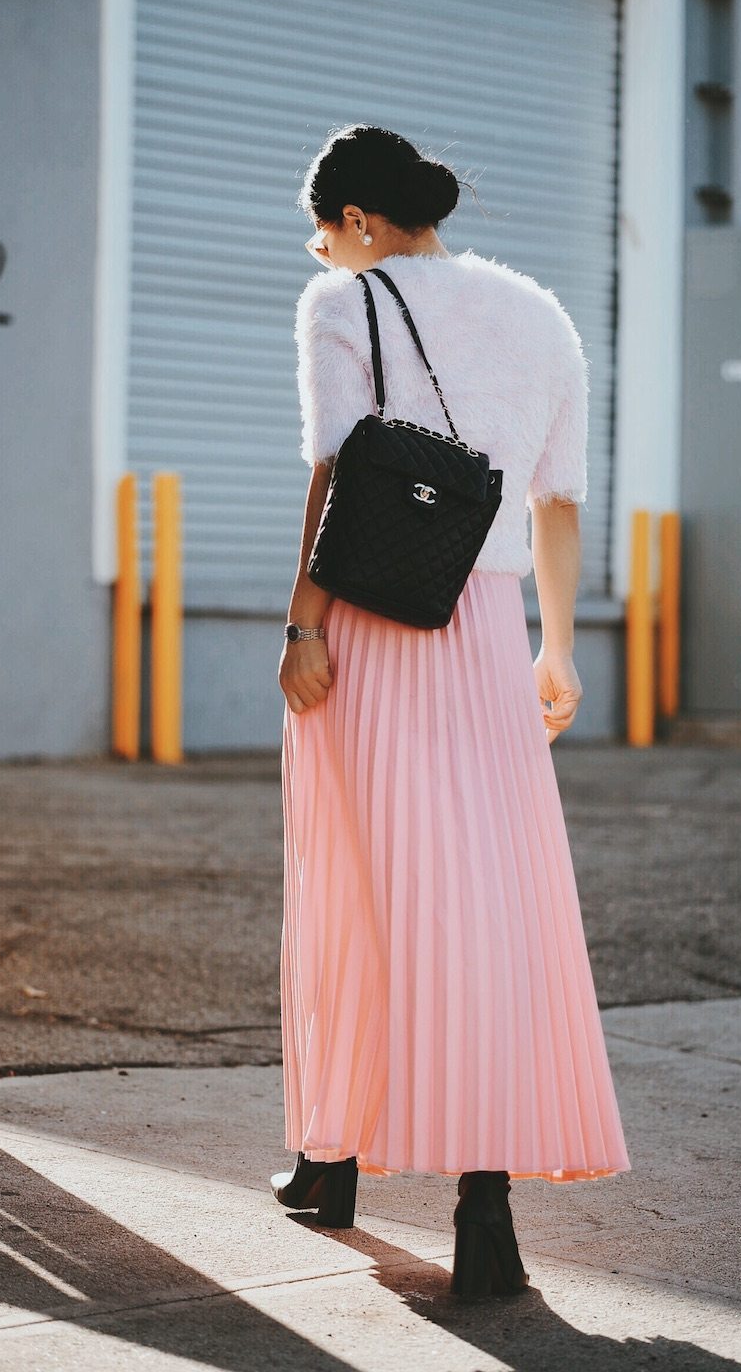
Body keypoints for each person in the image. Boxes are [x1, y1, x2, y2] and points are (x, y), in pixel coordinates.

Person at [274, 124, 631, 1299]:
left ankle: (331, 1157)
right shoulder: (544, 318)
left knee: (358, 892)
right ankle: (487, 1210)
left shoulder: (349, 306)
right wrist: (560, 650)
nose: (328, 256)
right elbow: (559, 503)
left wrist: (303, 626)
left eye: (328, 235)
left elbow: (334, 478)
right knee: (484, 907)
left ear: (363, 223)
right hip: (483, 637)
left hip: (374, 626)